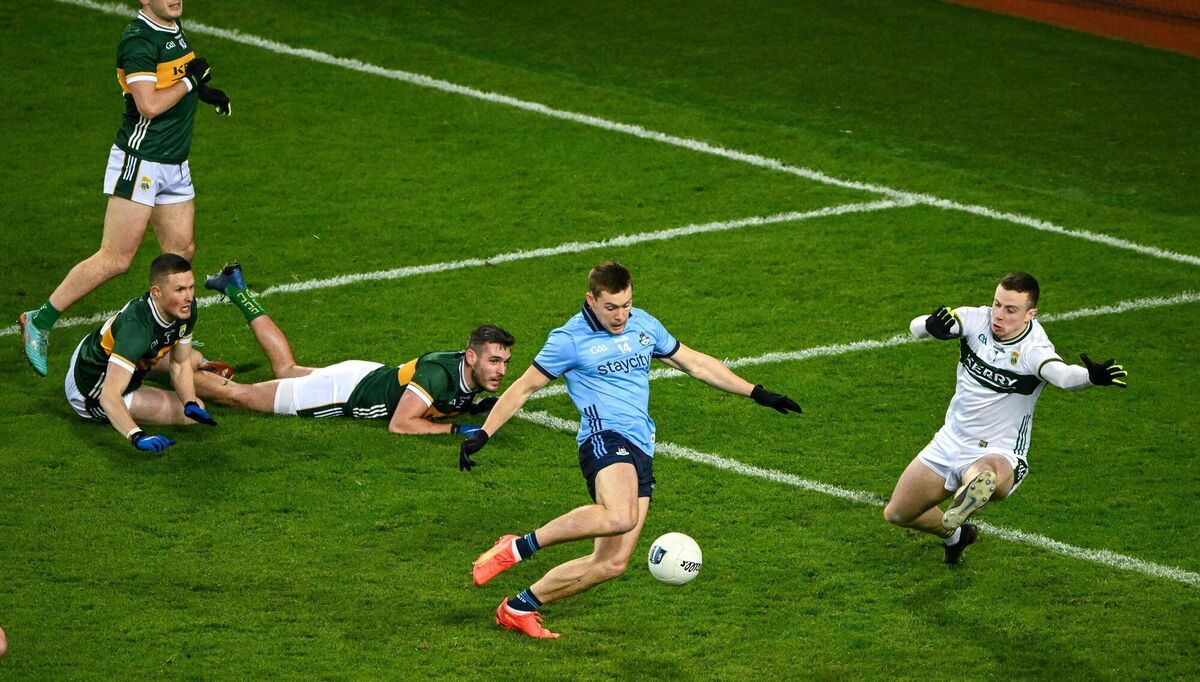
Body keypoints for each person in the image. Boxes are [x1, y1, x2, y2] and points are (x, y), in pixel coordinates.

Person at [458, 261, 802, 638]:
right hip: (602, 438)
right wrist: (485, 434)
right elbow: (524, 387)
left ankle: (519, 607)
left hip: (642, 445)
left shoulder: (644, 325)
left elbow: (696, 363)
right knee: (620, 516)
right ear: (591, 300)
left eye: (626, 305)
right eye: (611, 308)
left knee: (612, 563)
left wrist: (757, 392)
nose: (621, 316)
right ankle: (517, 547)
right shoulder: (568, 340)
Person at [20, 0, 231, 377]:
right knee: (116, 257)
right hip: (142, 161)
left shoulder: (170, 27)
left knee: (180, 252)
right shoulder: (138, 40)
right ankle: (41, 319)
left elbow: (175, 78)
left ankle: (163, 338)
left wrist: (203, 92)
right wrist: (190, 83)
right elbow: (148, 105)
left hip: (174, 163)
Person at [883, 272, 1127, 564]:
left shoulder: (1033, 349)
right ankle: (956, 535)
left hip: (999, 451)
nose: (999, 315)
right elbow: (916, 328)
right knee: (897, 513)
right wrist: (929, 325)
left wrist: (1090, 377)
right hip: (950, 439)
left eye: (1010, 310)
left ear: (1030, 314)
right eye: (997, 304)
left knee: (986, 473)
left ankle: (971, 491)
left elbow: (1062, 375)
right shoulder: (975, 320)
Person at [192, 263, 513, 434]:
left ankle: (236, 290)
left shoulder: (466, 374)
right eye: (494, 360)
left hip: (366, 373)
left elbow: (447, 400)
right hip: (344, 393)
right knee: (239, 396)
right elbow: (400, 425)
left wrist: (472, 408)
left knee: (287, 371)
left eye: (505, 362)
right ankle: (174, 368)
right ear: (471, 357)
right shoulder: (438, 373)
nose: (501, 370)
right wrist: (455, 430)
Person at [65, 254, 217, 453]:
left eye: (191, 287)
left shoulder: (186, 309)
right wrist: (136, 435)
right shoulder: (137, 331)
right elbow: (108, 396)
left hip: (100, 352)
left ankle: (144, 377)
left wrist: (188, 400)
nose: (189, 297)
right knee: (188, 414)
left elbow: (179, 363)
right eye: (179, 290)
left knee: (193, 363)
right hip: (91, 388)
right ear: (156, 292)